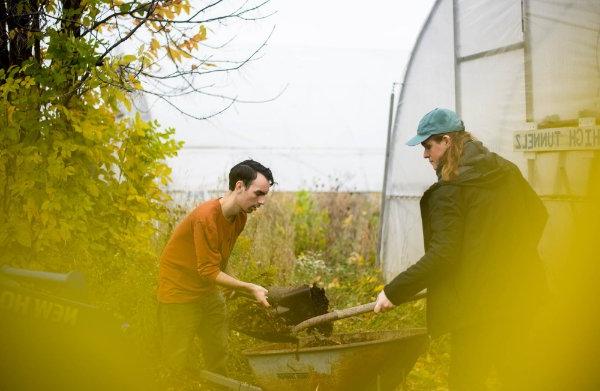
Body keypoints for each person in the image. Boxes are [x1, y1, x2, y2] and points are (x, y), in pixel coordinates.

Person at [374, 108, 548, 390]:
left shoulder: (450, 191)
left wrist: (394, 290)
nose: (425, 155)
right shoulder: (505, 171)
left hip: (477, 308)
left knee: (466, 381)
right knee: (518, 377)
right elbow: (537, 215)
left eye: (428, 146)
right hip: (520, 296)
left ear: (446, 141)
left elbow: (444, 254)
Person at [157, 159, 274, 376]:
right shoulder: (206, 218)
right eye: (258, 193)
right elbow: (208, 271)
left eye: (265, 194)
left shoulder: (239, 217)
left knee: (218, 351)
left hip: (207, 290)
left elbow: (220, 260)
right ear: (239, 186)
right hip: (179, 291)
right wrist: (248, 287)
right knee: (176, 361)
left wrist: (232, 282)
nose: (262, 201)